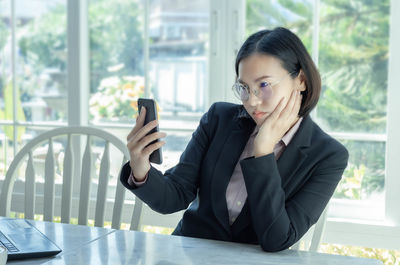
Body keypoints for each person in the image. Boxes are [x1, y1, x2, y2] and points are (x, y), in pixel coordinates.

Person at [120, 27, 349, 252]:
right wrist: (141, 170)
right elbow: (174, 197)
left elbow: (277, 239)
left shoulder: (328, 156)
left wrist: (263, 151)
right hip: (190, 255)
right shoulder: (219, 119)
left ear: (301, 80)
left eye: (264, 85)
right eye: (244, 87)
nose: (252, 101)